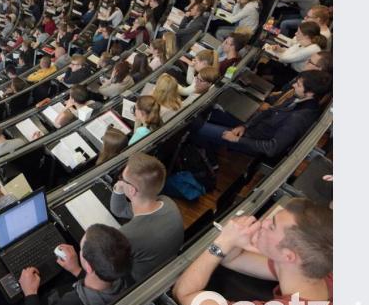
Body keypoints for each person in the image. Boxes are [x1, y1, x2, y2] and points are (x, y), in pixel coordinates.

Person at [173, 198, 332, 305]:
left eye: (272, 226)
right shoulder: (313, 271)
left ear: (288, 256)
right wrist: (236, 241)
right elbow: (233, 259)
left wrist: (222, 242)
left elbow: (184, 293)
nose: (264, 222)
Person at [20, 224, 133, 305]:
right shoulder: (125, 277)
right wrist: (77, 270)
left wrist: (30, 293)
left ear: (88, 267)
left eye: (81, 249)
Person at [193, 70, 331, 159]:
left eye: (299, 85)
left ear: (311, 93)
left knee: (194, 125)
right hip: (249, 130)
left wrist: (238, 140)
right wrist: (245, 126)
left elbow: (272, 148)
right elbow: (269, 111)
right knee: (208, 111)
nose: (294, 85)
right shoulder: (298, 97)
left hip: (250, 141)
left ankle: (207, 155)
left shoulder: (298, 118)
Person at [109, 152, 184, 280]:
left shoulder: (127, 235)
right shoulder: (167, 202)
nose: (120, 181)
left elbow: (111, 267)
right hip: (166, 267)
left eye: (122, 178)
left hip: (138, 281)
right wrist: (120, 186)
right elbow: (120, 210)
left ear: (132, 190)